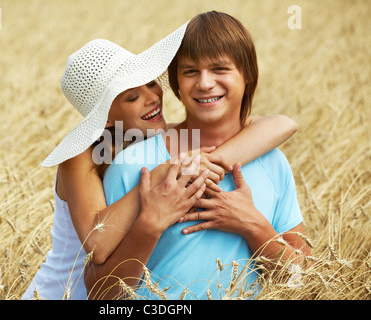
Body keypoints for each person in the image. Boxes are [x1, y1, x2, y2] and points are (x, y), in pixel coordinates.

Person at [22, 19, 299, 300]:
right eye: (132, 97)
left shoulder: (153, 135)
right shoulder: (84, 156)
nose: (151, 98)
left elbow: (281, 124)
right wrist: (163, 176)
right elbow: (98, 243)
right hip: (60, 293)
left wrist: (212, 162)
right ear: (106, 117)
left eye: (151, 83)